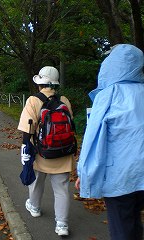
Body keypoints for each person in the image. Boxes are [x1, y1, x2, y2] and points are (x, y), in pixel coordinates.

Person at [75, 44, 144, 240]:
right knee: (135, 223)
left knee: (122, 228)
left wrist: (84, 173)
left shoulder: (108, 95)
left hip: (120, 177)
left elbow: (94, 139)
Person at [18, 66, 75, 236]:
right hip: (63, 152)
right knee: (62, 189)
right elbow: (71, 124)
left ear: (40, 83)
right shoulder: (64, 100)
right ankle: (62, 225)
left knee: (36, 182)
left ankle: (34, 207)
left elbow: (27, 128)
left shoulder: (33, 100)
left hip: (42, 152)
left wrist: (25, 148)